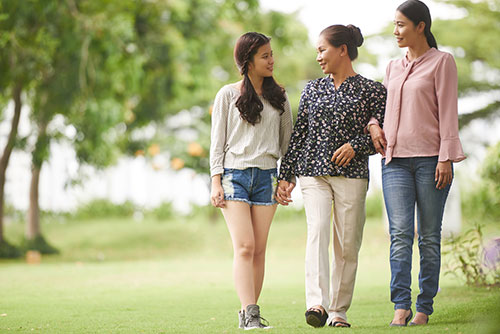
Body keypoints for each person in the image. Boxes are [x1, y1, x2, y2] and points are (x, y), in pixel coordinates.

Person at [275, 24, 386, 328]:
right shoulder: (313, 88)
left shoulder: (373, 90)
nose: (319, 57)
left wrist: (357, 146)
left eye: (322, 50)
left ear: (342, 50)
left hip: (352, 175)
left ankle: (339, 310)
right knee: (318, 232)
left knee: (347, 244)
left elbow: (385, 134)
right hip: (313, 173)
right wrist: (286, 175)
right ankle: (317, 304)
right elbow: (300, 135)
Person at [367, 0, 466, 327]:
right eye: (394, 25)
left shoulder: (442, 62)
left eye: (401, 25)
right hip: (394, 162)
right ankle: (401, 305)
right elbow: (380, 108)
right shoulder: (393, 67)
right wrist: (372, 125)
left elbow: (449, 113)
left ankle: (424, 306)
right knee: (399, 235)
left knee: (428, 236)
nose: (395, 31)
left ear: (420, 26)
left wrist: (445, 157)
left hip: (430, 162)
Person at [209, 32, 293, 330]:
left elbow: (287, 145)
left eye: (272, 54)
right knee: (244, 246)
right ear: (248, 61)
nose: (272, 60)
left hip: (267, 177)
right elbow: (217, 142)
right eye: (265, 56)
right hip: (234, 176)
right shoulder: (227, 95)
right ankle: (250, 314)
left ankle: (250, 313)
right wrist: (215, 181)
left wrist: (288, 179)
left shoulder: (279, 96)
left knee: (259, 249)